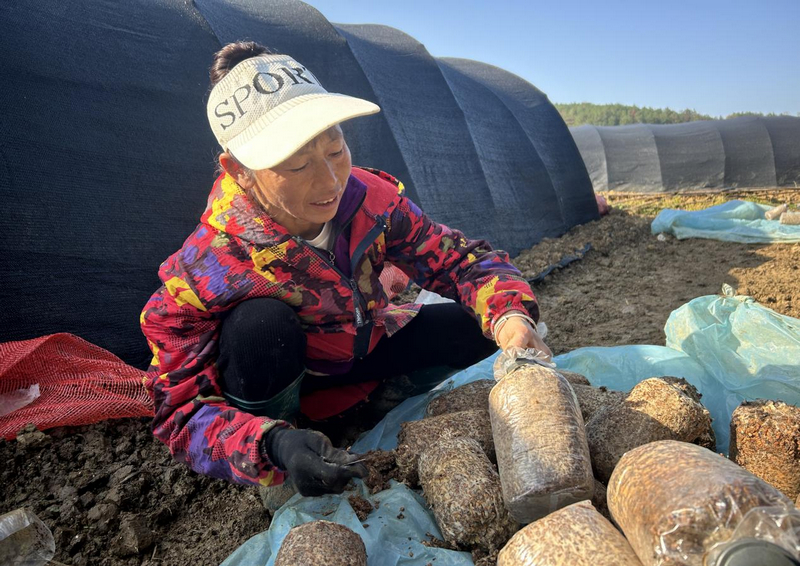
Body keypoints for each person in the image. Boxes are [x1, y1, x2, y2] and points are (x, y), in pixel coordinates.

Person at [140, 41, 551, 497]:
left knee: (476, 327)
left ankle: (380, 399)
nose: (330, 182)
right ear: (239, 170)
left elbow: (457, 259)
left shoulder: (371, 202)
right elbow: (177, 409)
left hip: (360, 350)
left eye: (335, 151)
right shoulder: (206, 265)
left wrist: (510, 314)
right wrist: (273, 444)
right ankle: (287, 463)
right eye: (297, 166)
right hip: (288, 381)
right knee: (260, 326)